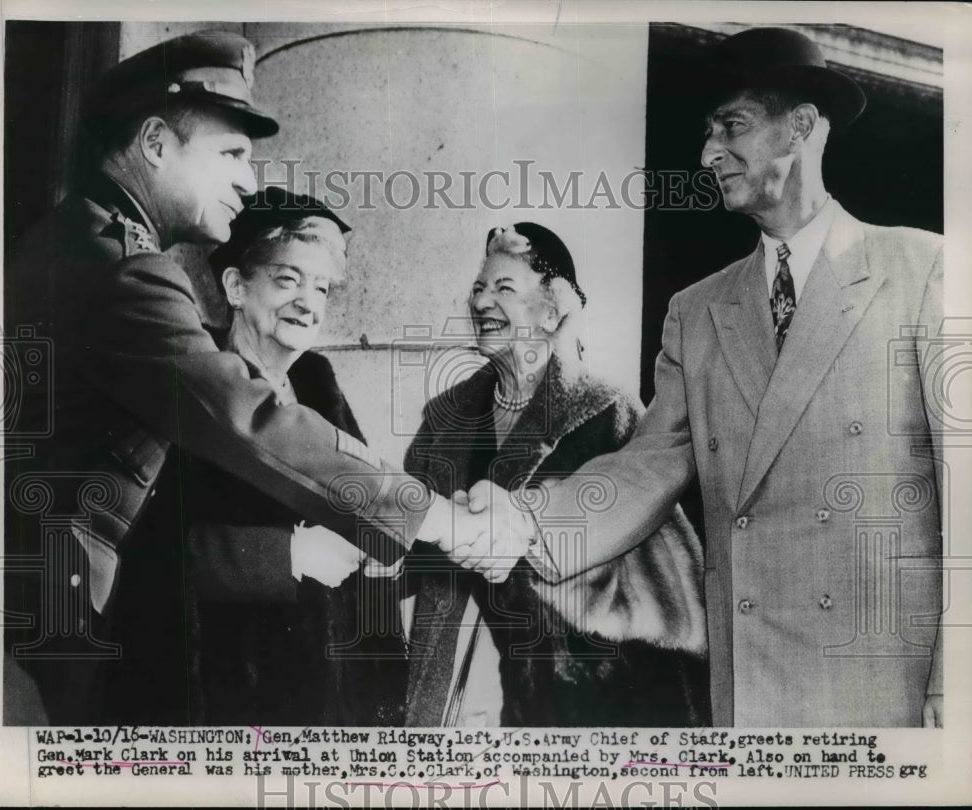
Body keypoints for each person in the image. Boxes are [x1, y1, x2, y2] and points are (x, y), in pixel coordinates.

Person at [454, 28, 945, 727]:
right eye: (707, 130)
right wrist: (522, 522)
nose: (709, 152)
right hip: (751, 687)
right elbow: (647, 467)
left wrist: (954, 683)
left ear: (801, 127)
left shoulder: (924, 270)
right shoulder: (697, 309)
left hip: (886, 688)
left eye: (733, 125)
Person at [3, 31, 472, 724]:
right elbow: (249, 421)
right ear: (157, 144)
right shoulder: (125, 271)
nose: (249, 181)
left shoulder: (84, 240)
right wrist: (433, 515)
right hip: (62, 625)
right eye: (231, 154)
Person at [403, 223, 708, 726]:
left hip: (578, 691)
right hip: (457, 680)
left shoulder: (609, 412)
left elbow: (666, 575)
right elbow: (405, 538)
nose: (481, 303)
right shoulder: (445, 416)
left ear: (550, 312)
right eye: (479, 288)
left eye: (505, 289)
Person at [184, 186, 407, 725]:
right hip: (225, 694)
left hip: (330, 693)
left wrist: (384, 557)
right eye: (288, 280)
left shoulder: (316, 380)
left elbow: (369, 507)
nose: (309, 303)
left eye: (323, 287)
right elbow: (148, 552)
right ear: (236, 286)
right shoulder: (193, 380)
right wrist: (290, 555)